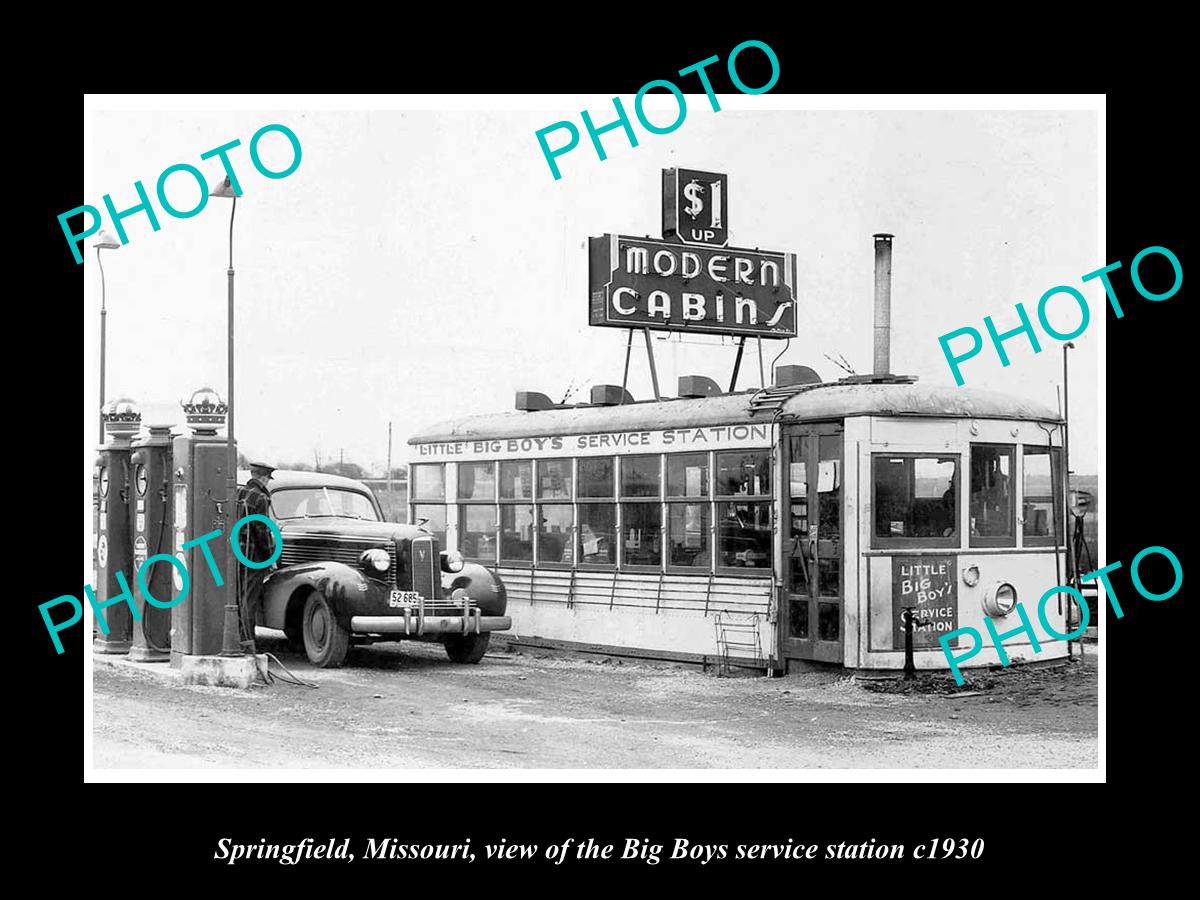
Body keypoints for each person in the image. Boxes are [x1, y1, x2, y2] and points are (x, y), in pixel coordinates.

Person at [235, 462, 277, 653]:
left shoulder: (240, 493)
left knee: (238, 597)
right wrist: (271, 556)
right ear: (263, 477)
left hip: (237, 554)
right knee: (249, 600)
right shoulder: (260, 497)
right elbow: (262, 529)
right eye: (268, 478)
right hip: (253, 557)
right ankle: (248, 643)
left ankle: (237, 639)